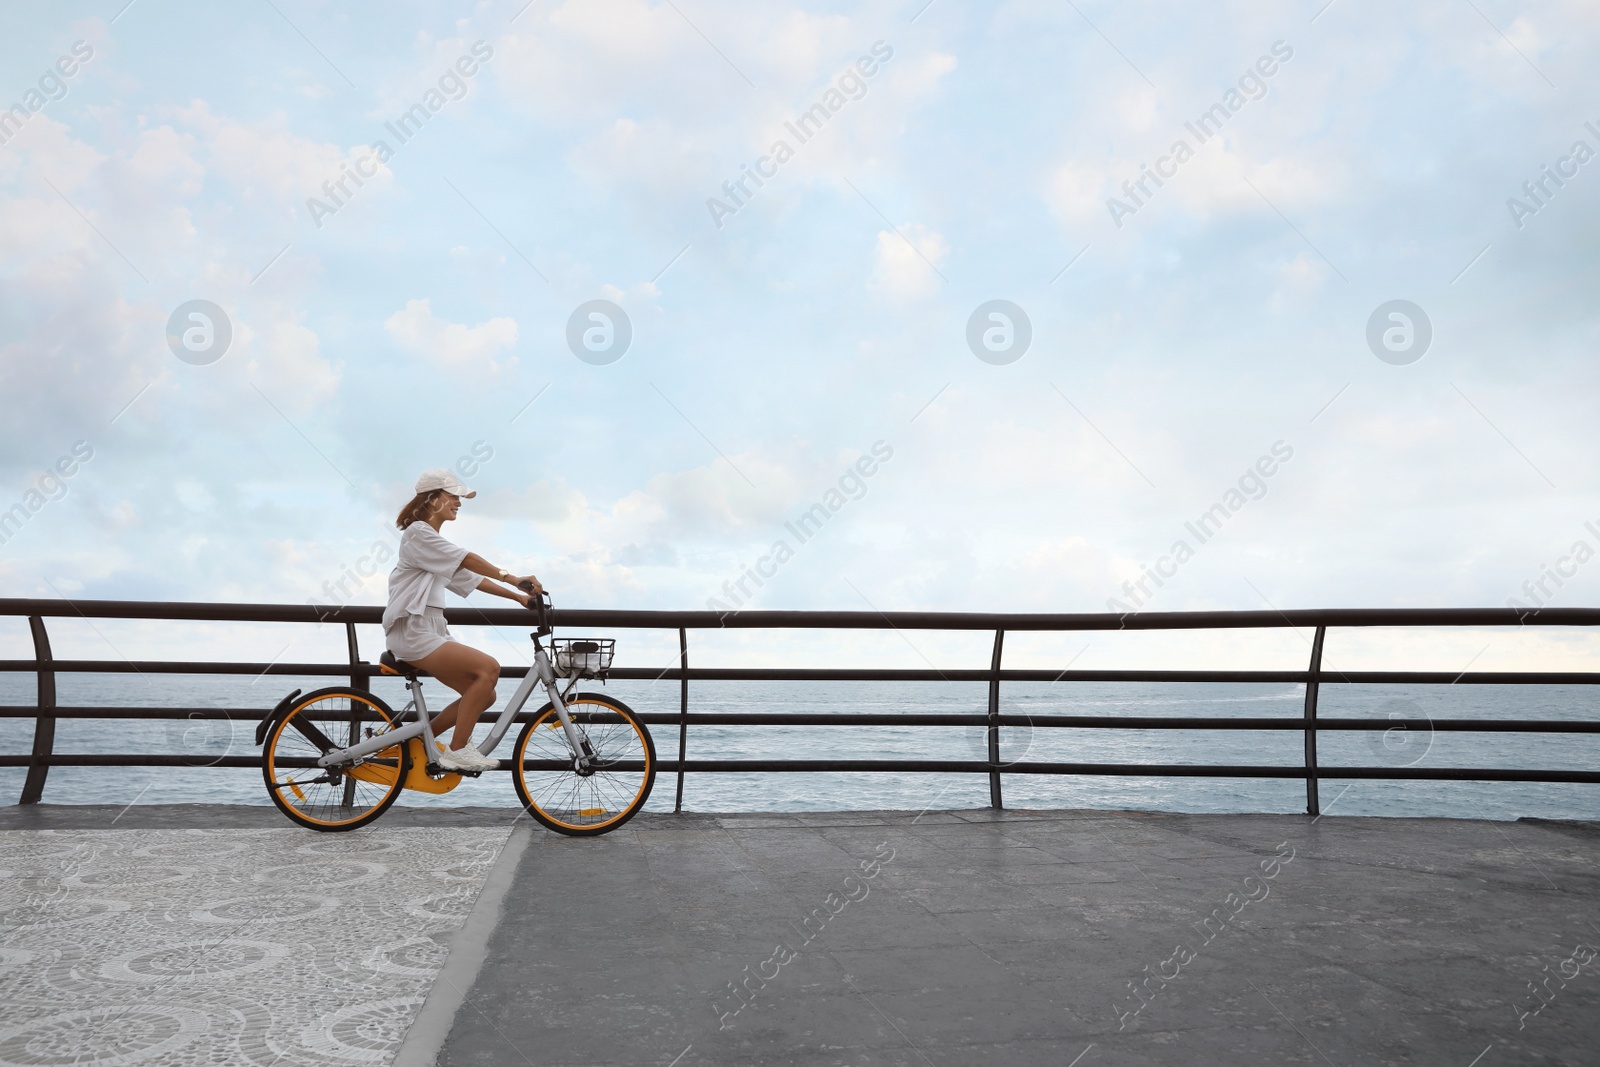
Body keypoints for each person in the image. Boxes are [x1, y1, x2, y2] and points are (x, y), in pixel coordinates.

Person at [382, 468, 542, 773]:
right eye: (453, 496)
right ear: (432, 499)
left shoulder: (432, 543)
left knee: (484, 693)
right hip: (413, 629)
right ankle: (457, 750)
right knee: (489, 668)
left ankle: (418, 740)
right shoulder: (419, 533)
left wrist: (518, 597)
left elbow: (469, 579)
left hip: (430, 628)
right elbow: (467, 559)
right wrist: (512, 578)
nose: (459, 502)